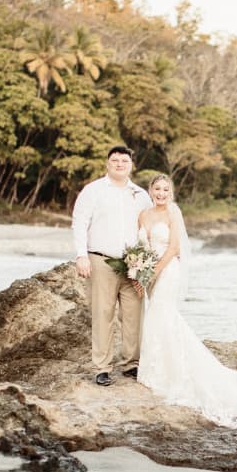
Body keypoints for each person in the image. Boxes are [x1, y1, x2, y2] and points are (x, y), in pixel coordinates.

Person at [137, 174, 237, 429]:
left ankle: (169, 373)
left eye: (166, 189)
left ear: (171, 192)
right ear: (150, 190)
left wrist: (153, 272)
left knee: (161, 315)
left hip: (167, 271)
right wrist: (140, 269)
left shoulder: (173, 212)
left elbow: (174, 248)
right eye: (157, 189)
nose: (161, 193)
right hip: (149, 272)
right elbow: (140, 247)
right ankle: (154, 368)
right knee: (157, 317)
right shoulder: (143, 215)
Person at [72, 146, 153, 386]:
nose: (119, 164)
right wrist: (81, 256)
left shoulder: (140, 195)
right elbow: (79, 223)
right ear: (108, 163)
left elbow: (147, 230)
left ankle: (131, 364)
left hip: (133, 263)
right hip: (101, 260)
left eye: (124, 160)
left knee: (133, 315)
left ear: (131, 165)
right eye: (115, 160)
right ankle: (102, 367)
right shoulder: (93, 190)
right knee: (102, 314)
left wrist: (146, 264)